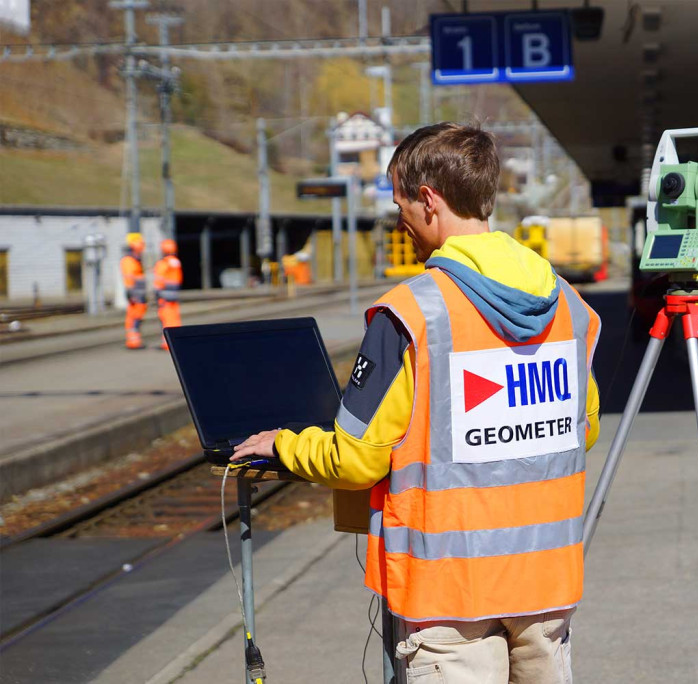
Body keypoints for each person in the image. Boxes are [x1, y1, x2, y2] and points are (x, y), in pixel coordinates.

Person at [232, 122, 601, 683]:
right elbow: (584, 428)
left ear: (429, 200)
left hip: (448, 594)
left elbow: (357, 459)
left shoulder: (411, 313)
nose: (398, 216)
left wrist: (283, 446)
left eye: (400, 199)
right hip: (546, 582)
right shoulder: (566, 304)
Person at [153, 238, 183, 350]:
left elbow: (159, 281)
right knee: (175, 318)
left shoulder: (163, 263)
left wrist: (156, 293)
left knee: (166, 318)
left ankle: (166, 343)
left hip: (164, 296)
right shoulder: (176, 262)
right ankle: (176, 340)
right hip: (174, 295)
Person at [120, 232, 147, 350]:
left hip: (139, 296)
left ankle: (135, 340)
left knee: (137, 318)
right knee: (134, 318)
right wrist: (131, 294)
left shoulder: (135, 260)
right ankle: (133, 341)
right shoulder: (129, 261)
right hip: (135, 296)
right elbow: (129, 279)